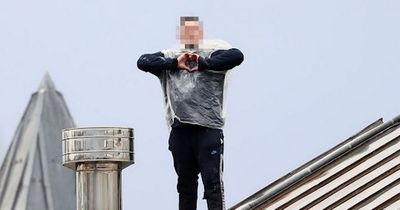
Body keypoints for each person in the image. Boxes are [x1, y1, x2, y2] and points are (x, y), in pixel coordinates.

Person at [137, 16, 244, 210]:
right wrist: (173, 63)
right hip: (181, 130)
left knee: (212, 184)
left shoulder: (212, 50)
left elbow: (237, 56)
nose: (190, 36)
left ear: (200, 33)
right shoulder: (171, 55)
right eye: (186, 31)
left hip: (208, 129)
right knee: (185, 185)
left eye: (194, 31)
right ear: (180, 34)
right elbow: (143, 61)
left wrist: (203, 63)